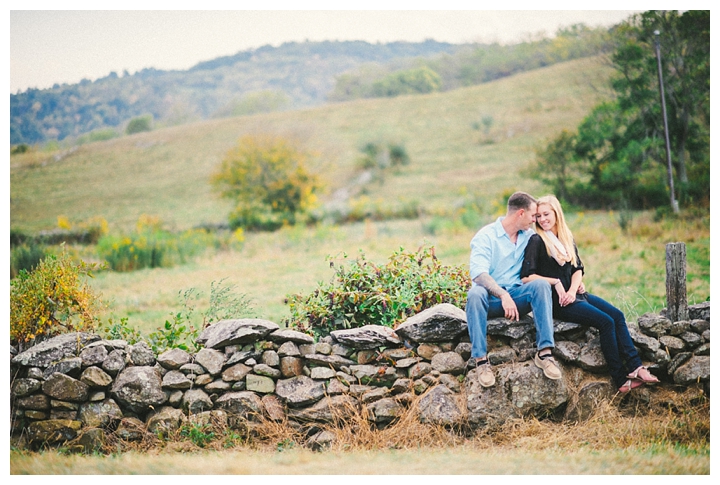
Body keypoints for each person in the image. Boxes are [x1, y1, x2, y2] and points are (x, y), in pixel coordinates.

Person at [521, 195, 659, 393]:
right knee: (605, 322)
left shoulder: (566, 237)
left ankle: (636, 367)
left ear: (556, 214)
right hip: (557, 301)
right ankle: (620, 379)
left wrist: (572, 288)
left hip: (574, 295)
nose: (542, 219)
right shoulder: (537, 240)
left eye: (546, 214)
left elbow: (577, 268)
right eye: (539, 216)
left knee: (617, 315)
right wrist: (556, 283)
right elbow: (527, 276)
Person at [466, 191, 562, 388]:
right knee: (475, 293)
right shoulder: (486, 236)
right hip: (491, 300)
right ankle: (481, 362)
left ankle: (545, 353)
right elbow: (478, 274)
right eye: (533, 216)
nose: (535, 220)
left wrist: (574, 279)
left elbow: (558, 254)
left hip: (518, 298)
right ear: (520, 214)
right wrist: (502, 294)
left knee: (540, 285)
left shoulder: (529, 236)